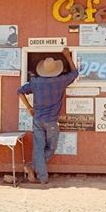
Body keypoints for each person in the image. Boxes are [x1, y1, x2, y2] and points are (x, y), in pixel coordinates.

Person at [17, 48, 79, 184]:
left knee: (38, 148)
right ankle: (39, 174)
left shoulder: (35, 82)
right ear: (56, 69)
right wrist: (68, 57)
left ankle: (34, 169)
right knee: (51, 147)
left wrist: (29, 108)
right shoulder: (60, 81)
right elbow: (75, 73)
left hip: (37, 119)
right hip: (51, 121)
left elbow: (20, 91)